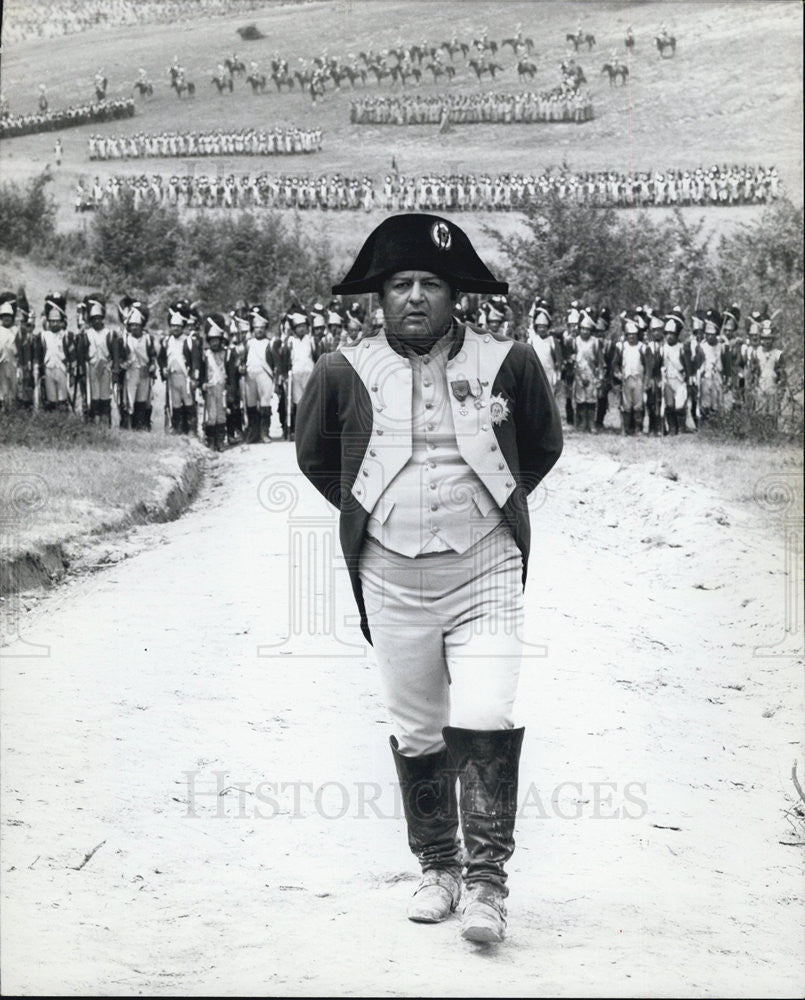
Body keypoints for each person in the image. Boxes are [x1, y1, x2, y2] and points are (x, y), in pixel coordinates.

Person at [295, 213, 563, 944]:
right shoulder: (340, 370)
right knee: (416, 728)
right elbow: (317, 459)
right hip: (389, 572)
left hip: (485, 566)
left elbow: (540, 444)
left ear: (458, 295)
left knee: (484, 715)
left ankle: (486, 885)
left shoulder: (509, 362)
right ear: (376, 298)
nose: (414, 296)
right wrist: (377, 513)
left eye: (431, 284)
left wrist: (486, 506)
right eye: (399, 284)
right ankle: (437, 867)